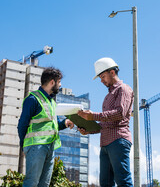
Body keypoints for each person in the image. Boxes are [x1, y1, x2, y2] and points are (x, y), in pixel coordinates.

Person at [78, 57, 134, 187]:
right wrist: (89, 130)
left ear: (112, 72)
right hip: (105, 144)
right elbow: (105, 123)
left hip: (118, 140)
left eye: (103, 77)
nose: (101, 81)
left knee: (123, 181)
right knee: (105, 183)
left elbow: (120, 113)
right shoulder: (108, 96)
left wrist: (93, 116)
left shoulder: (123, 89)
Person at [18, 67, 74, 187]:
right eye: (59, 82)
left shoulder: (52, 102)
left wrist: (64, 123)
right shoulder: (33, 99)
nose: (60, 85)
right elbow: (22, 125)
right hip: (35, 147)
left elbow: (52, 125)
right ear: (52, 82)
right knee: (31, 182)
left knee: (44, 184)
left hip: (50, 147)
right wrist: (24, 146)